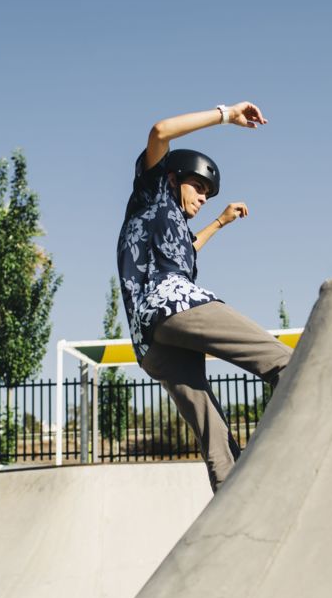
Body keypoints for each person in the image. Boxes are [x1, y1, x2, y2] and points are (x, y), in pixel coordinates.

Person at [116, 102, 293, 492]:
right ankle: (298, 443)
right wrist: (226, 115)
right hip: (174, 304)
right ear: (174, 177)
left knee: (217, 443)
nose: (203, 197)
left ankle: (235, 506)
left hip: (150, 343)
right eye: (198, 187)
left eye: (208, 194)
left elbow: (187, 251)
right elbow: (160, 131)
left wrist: (220, 222)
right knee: (285, 364)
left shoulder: (170, 226)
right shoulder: (153, 193)